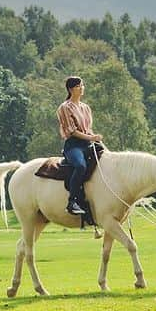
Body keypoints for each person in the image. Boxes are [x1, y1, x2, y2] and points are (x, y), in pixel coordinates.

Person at [56, 76, 103, 216]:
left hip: (88, 143)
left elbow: (88, 128)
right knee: (80, 166)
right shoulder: (64, 107)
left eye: (82, 85)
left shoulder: (86, 108)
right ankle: (72, 202)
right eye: (78, 86)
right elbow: (72, 131)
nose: (81, 88)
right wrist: (91, 137)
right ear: (70, 89)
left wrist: (96, 140)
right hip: (74, 145)